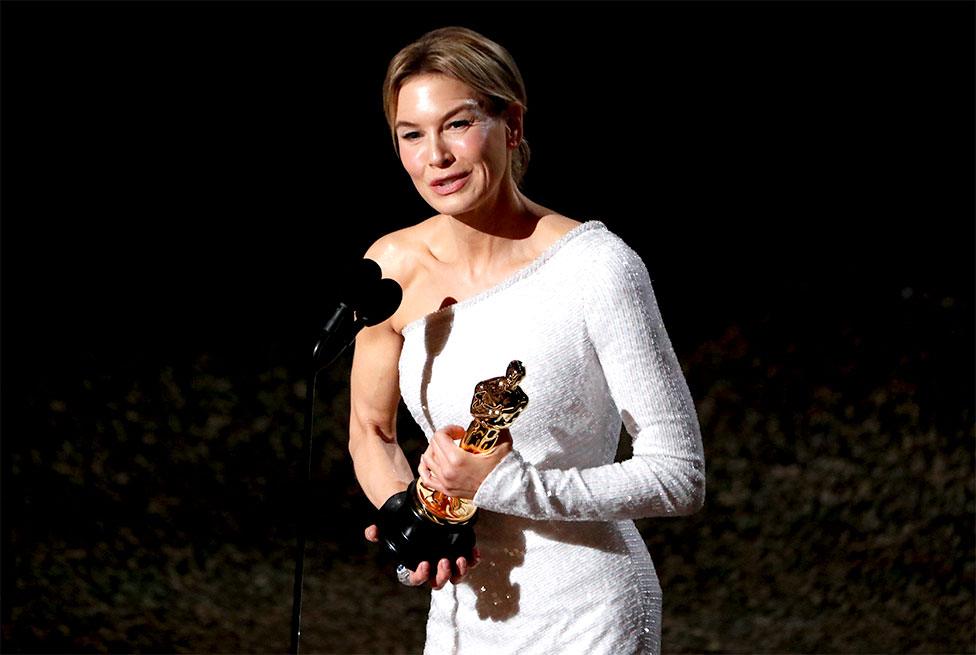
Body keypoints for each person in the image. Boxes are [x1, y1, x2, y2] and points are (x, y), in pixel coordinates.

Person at [348, 25, 705, 655]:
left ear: (510, 123)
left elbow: (679, 475)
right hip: (462, 619)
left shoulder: (596, 267)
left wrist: (500, 484)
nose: (436, 156)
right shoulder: (390, 267)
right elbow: (370, 433)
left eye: (457, 124)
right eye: (412, 135)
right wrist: (415, 517)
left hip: (590, 613)